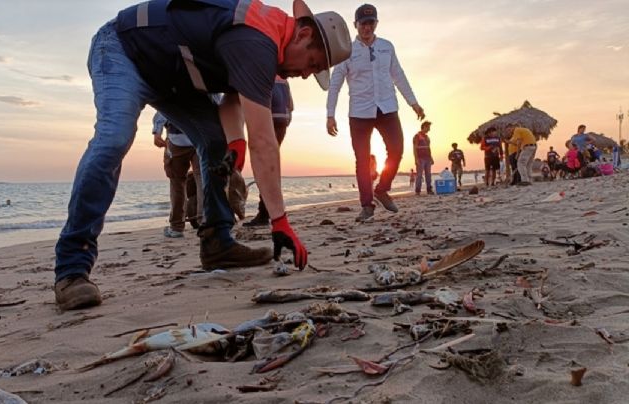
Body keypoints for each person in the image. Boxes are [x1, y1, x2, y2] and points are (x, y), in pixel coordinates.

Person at [53, 0, 352, 310]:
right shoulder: (258, 40)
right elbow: (263, 143)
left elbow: (232, 96)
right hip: (123, 50)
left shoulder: (266, 39)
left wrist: (233, 143)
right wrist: (280, 222)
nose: (306, 75)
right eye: (313, 64)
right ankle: (72, 269)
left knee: (216, 141)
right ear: (303, 34)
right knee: (113, 139)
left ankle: (217, 243)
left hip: (172, 79)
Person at [325, 3, 425, 222]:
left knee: (396, 150)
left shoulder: (387, 47)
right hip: (359, 112)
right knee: (362, 160)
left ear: (376, 24)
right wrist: (330, 114)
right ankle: (367, 205)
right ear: (356, 25)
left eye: (371, 23)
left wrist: (413, 102)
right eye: (363, 23)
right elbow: (335, 84)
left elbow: (398, 75)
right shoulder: (346, 52)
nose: (367, 28)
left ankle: (382, 189)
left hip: (387, 107)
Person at [244, 77, 294, 227]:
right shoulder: (283, 76)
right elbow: (290, 104)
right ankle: (272, 211)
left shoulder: (262, 70)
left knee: (264, 165)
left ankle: (266, 213)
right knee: (271, 164)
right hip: (282, 119)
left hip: (269, 117)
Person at [152, 111, 203, 238]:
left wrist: (157, 131)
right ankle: (206, 223)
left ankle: (176, 227)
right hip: (200, 137)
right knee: (203, 180)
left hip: (177, 140)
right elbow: (217, 101)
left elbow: (163, 107)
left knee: (177, 183)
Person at [413, 121, 433, 195]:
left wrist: (431, 158)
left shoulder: (427, 137)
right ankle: (417, 191)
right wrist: (416, 159)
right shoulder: (417, 136)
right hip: (420, 158)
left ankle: (429, 189)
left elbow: (429, 148)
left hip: (427, 158)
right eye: (428, 127)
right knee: (419, 175)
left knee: (428, 174)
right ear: (424, 127)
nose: (429, 129)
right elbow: (414, 148)